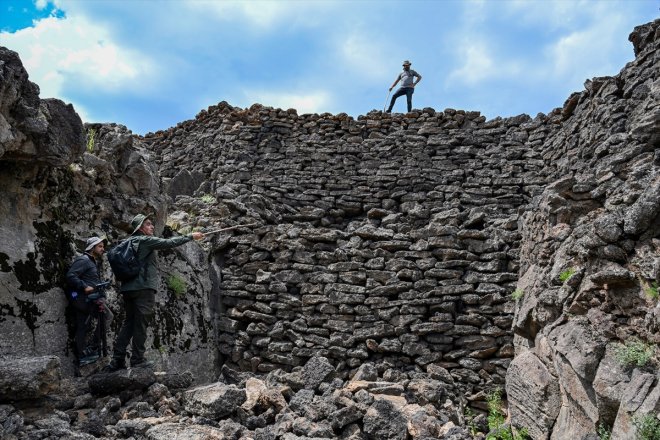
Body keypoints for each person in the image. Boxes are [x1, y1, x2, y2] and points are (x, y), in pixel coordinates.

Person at [103, 214, 204, 372]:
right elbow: (169, 243)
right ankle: (137, 359)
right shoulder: (144, 240)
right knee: (141, 324)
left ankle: (117, 360)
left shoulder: (127, 242)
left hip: (128, 289)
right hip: (143, 288)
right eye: (148, 224)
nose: (151, 227)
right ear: (141, 228)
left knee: (128, 324)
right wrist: (190, 236)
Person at [66, 236, 114, 367]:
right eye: (100, 246)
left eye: (103, 247)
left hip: (87, 299)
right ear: (92, 247)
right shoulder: (84, 260)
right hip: (85, 299)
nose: (103, 249)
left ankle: (81, 357)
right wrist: (84, 286)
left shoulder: (91, 262)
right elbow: (70, 276)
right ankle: (92, 347)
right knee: (108, 316)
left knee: (83, 327)